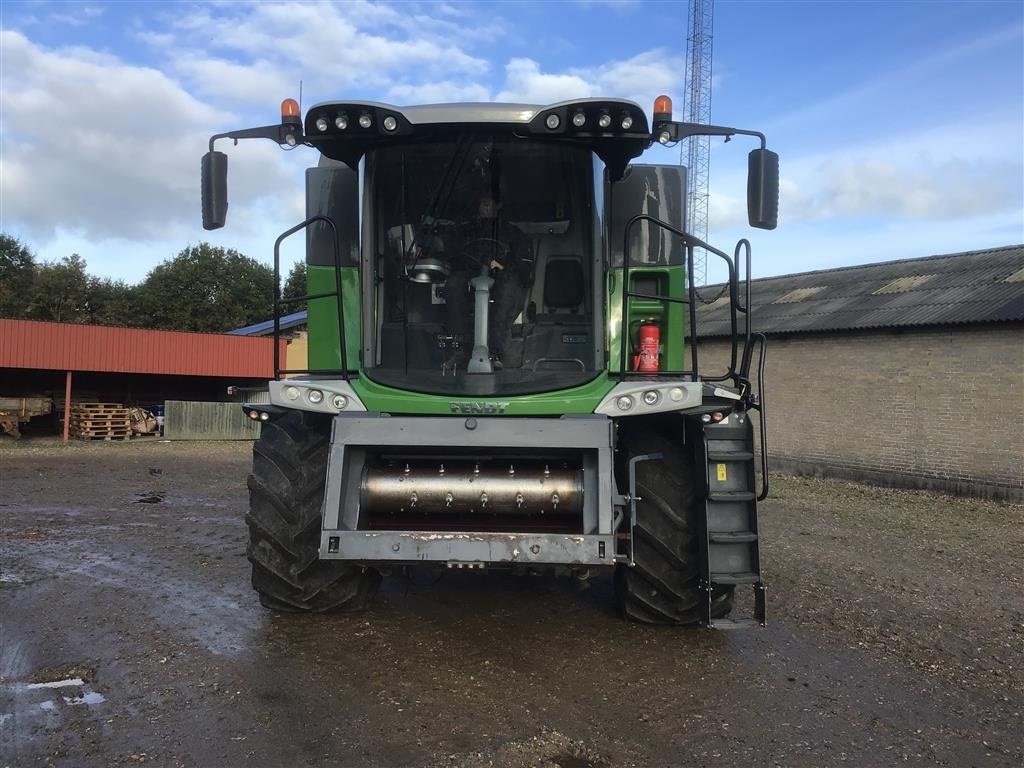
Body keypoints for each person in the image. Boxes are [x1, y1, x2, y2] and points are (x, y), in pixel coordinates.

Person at [444, 192, 531, 369]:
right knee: (454, 283)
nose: (483, 207)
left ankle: (500, 352)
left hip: (503, 279)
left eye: (488, 203)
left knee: (508, 288)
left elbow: (524, 266)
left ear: (499, 205)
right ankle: (459, 348)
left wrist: (502, 265)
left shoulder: (513, 233)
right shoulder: (466, 230)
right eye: (481, 203)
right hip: (471, 278)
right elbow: (453, 256)